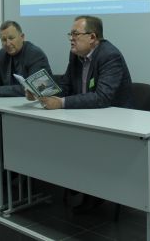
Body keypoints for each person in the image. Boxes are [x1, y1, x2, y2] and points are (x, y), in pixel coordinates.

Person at [33, 15, 133, 213]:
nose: (71, 38)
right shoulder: (76, 54)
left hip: (115, 121)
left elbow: (102, 97)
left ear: (92, 37)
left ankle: (93, 192)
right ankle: (77, 182)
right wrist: (40, 92)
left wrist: (61, 103)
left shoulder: (109, 55)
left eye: (75, 34)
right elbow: (66, 85)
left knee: (83, 143)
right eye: (70, 34)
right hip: (88, 116)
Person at [0, 20, 52, 97]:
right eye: (4, 40)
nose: (8, 43)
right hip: (10, 102)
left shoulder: (35, 54)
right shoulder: (2, 54)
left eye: (11, 38)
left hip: (39, 102)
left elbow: (35, 88)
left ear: (22, 37)